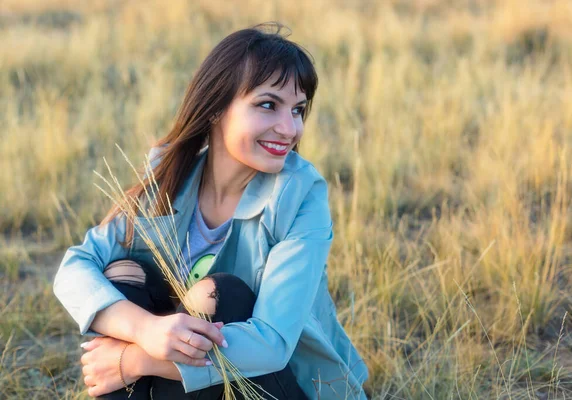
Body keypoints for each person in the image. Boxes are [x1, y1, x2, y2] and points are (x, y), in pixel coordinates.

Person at [53, 22, 369, 399]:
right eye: (268, 105)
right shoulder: (169, 173)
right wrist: (144, 330)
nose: (289, 128)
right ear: (216, 108)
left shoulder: (301, 194)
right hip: (190, 379)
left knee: (223, 294)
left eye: (298, 110)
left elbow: (270, 343)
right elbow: (75, 267)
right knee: (123, 275)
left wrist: (136, 359)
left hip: (286, 385)